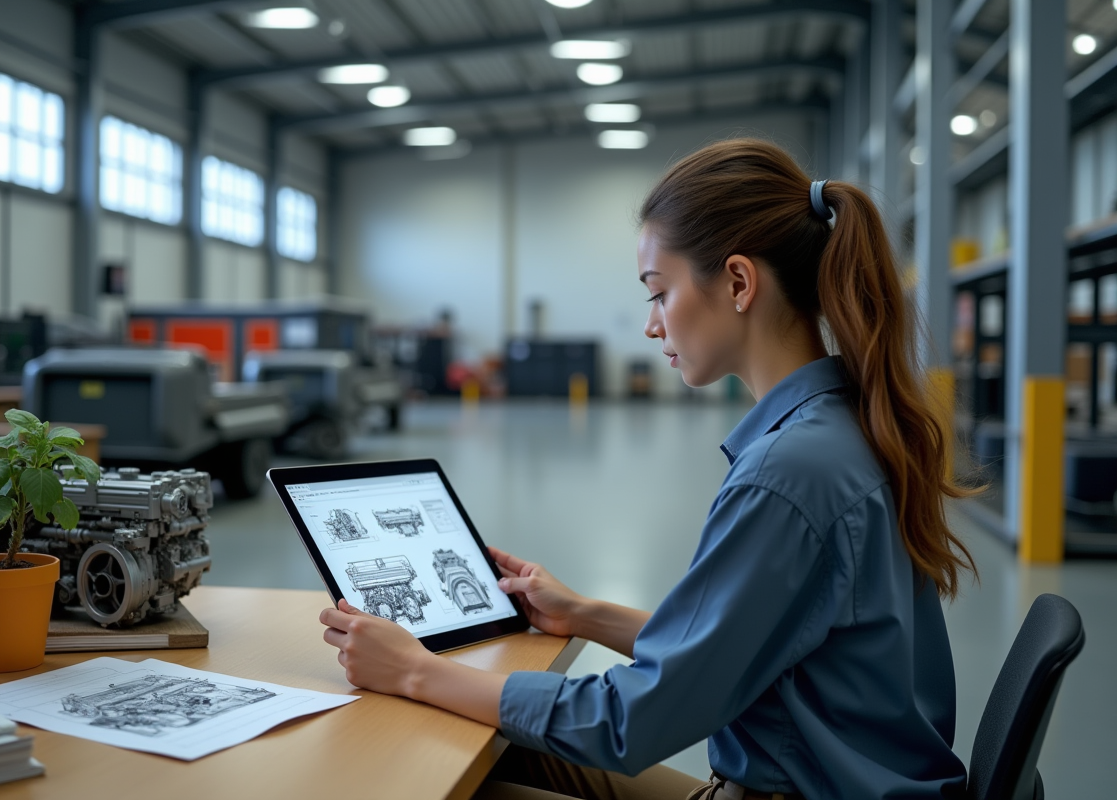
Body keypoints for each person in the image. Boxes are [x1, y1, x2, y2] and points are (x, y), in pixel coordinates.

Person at [319, 138, 978, 800]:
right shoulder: (844, 430)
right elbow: (732, 648)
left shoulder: (788, 473)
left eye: (658, 294)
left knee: (468, 777)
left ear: (740, 283)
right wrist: (585, 613)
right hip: (832, 778)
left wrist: (412, 671)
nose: (651, 326)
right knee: (500, 752)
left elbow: (632, 722)